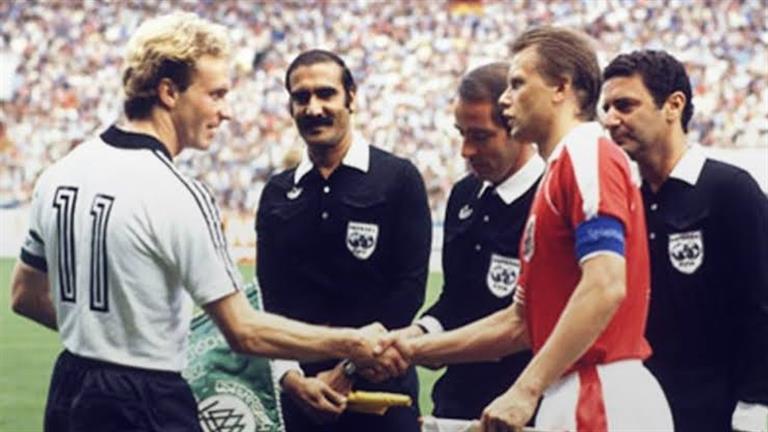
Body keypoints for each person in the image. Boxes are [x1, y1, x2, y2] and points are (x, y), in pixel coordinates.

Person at [9, 13, 395, 432]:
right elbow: (244, 331)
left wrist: (100, 332)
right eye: (216, 94)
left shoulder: (61, 172)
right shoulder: (176, 192)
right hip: (145, 398)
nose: (225, 112)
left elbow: (25, 295)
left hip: (69, 390)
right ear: (169, 92)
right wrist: (351, 342)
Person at [390, 26, 673, 432]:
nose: (506, 99)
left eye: (518, 84)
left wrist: (526, 388)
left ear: (561, 87)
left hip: (597, 390)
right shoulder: (557, 173)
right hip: (572, 392)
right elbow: (520, 324)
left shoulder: (587, 153)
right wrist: (410, 348)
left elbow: (606, 284)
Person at [256, 49, 431, 432]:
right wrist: (291, 378)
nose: (313, 108)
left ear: (351, 97)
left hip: (382, 394)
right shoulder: (277, 193)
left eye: (325, 94)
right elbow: (271, 302)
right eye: (301, 97)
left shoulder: (398, 178)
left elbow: (408, 290)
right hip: (304, 397)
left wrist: (349, 368)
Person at [602, 49, 768, 432]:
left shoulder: (730, 190)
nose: (610, 120)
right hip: (646, 408)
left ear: (673, 105)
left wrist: (756, 403)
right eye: (606, 108)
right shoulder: (629, 201)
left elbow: (761, 304)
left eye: (625, 105)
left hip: (721, 411)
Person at [394, 62, 542, 420]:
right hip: (456, 405)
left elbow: (527, 324)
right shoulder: (465, 195)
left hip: (525, 410)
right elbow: (455, 302)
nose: (465, 151)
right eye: (461, 134)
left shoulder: (550, 199)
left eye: (480, 136)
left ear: (519, 129)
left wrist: (423, 350)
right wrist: (416, 333)